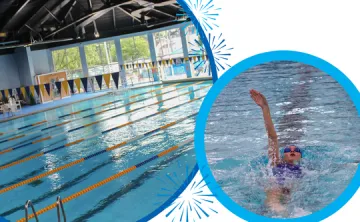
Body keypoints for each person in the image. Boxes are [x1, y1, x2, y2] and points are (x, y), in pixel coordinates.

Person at [250, 89, 303, 215]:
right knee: (274, 193)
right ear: (282, 154)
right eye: (288, 149)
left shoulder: (304, 169)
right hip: (275, 185)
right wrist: (264, 107)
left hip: (291, 188)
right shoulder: (276, 163)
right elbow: (272, 137)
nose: (292, 150)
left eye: (296, 150)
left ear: (300, 156)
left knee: (290, 199)